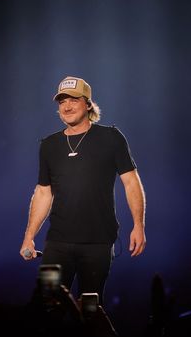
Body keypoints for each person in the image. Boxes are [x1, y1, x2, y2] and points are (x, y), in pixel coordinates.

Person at [20, 76, 146, 305]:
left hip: (97, 244)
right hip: (56, 245)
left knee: (90, 309)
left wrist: (138, 225)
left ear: (88, 104)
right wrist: (29, 236)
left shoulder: (111, 137)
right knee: (46, 304)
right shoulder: (49, 145)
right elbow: (43, 192)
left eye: (73, 100)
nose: (66, 106)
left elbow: (131, 182)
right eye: (61, 102)